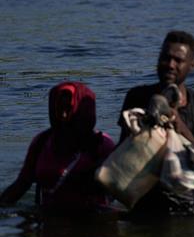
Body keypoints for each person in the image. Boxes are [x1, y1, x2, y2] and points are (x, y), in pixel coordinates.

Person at [119, 31, 194, 216]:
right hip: (141, 200)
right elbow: (122, 148)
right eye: (165, 58)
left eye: (178, 61)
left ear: (191, 66)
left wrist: (179, 125)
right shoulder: (136, 97)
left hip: (183, 204)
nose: (170, 65)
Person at [1, 82, 116, 214]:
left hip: (91, 225)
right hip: (50, 221)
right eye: (59, 110)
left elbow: (117, 190)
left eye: (69, 110)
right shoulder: (41, 142)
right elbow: (21, 184)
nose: (63, 116)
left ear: (83, 111)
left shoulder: (101, 144)